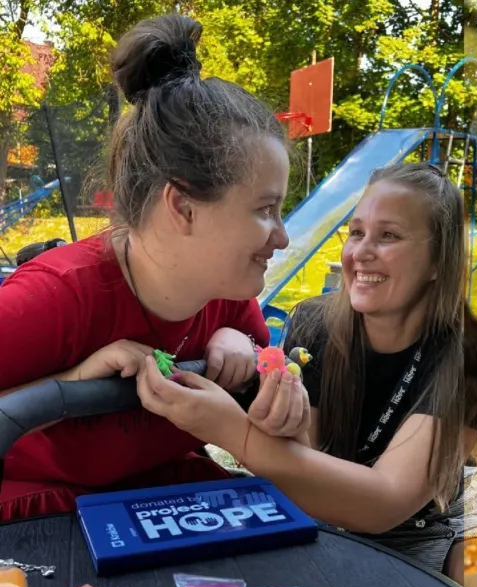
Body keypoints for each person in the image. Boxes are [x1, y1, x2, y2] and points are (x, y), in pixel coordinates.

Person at [136, 163, 477, 578]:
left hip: (423, 530)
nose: (360, 252)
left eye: (388, 235)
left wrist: (229, 429)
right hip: (324, 518)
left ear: (439, 260)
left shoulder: (472, 355)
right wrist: (285, 430)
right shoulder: (314, 324)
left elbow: (384, 504)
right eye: (357, 232)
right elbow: (305, 470)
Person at [0, 15, 283, 520]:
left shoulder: (226, 295)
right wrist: (73, 381)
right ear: (183, 207)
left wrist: (248, 351)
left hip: (166, 501)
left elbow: (268, 386)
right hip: (45, 517)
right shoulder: (53, 299)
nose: (281, 237)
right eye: (265, 210)